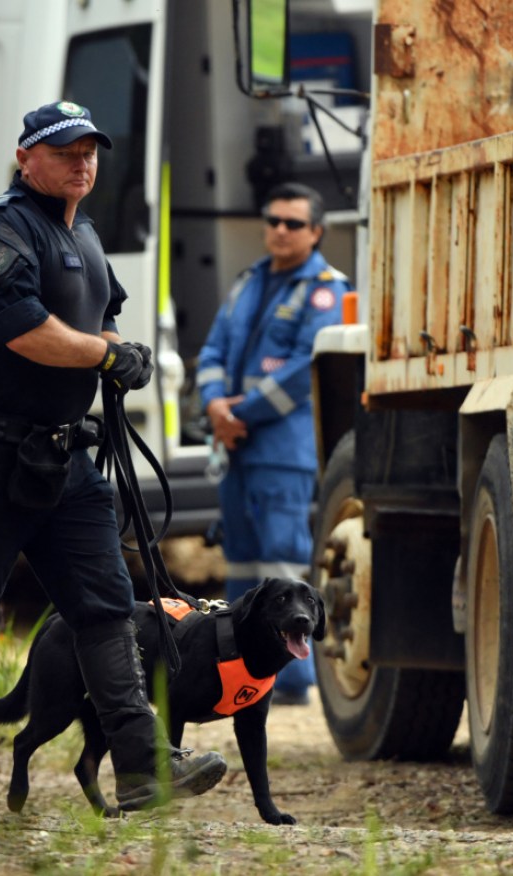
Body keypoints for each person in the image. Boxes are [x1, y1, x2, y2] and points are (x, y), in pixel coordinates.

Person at [0, 101, 228, 814]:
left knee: (105, 609)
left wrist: (116, 348)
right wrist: (105, 351)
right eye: (64, 150)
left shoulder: (87, 235)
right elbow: (25, 332)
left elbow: (97, 314)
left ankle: (140, 765)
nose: (81, 161)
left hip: (67, 466)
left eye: (89, 150)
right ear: (25, 157)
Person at [195, 181, 348, 706]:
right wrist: (215, 404)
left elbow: (308, 368)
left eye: (294, 223)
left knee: (283, 566)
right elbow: (213, 350)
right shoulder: (249, 281)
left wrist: (237, 412)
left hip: (281, 452)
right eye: (274, 220)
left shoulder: (327, 288)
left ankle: (292, 680)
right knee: (240, 564)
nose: (281, 230)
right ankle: (236, 672)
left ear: (316, 232)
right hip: (235, 445)